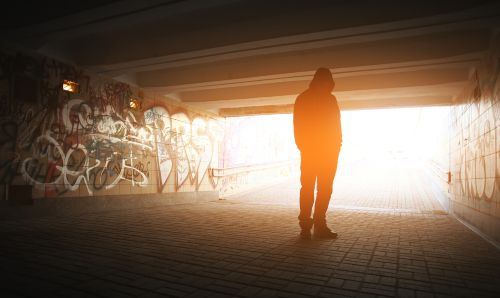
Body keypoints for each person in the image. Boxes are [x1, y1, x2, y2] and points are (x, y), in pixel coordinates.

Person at [293, 67, 342, 240]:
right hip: (314, 153)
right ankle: (309, 226)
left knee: (321, 189)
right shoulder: (306, 99)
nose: (327, 85)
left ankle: (315, 225)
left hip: (326, 154)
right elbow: (298, 128)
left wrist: (337, 147)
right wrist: (305, 148)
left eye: (329, 82)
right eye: (325, 81)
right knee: (312, 189)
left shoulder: (328, 99)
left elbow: (337, 127)